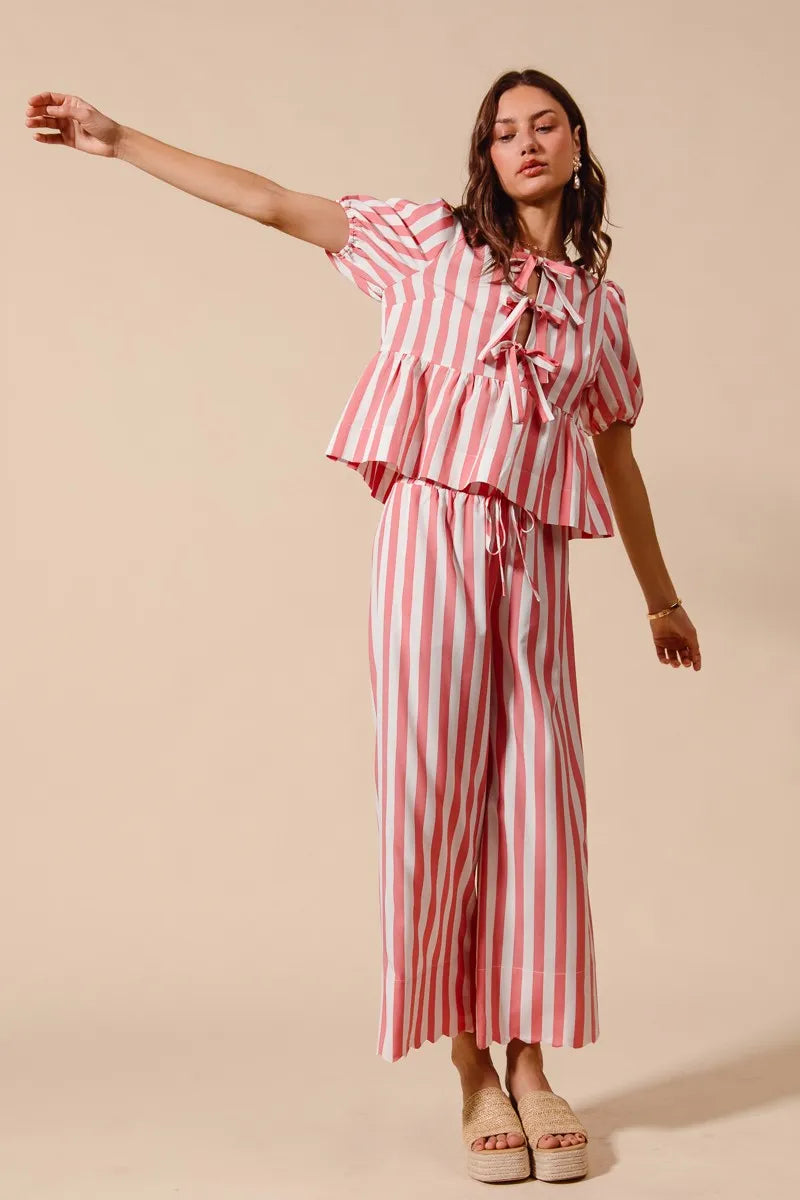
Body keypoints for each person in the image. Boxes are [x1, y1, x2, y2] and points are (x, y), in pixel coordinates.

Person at [25, 66, 701, 1185]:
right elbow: (270, 202)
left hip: (531, 559)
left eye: (542, 126)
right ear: (481, 157)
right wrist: (118, 136)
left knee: (534, 802)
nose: (522, 143)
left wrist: (657, 595)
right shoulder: (423, 241)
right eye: (500, 132)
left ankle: (532, 1062)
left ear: (576, 143)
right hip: (427, 543)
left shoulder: (598, 308)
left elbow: (613, 456)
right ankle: (470, 1067)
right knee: (433, 791)